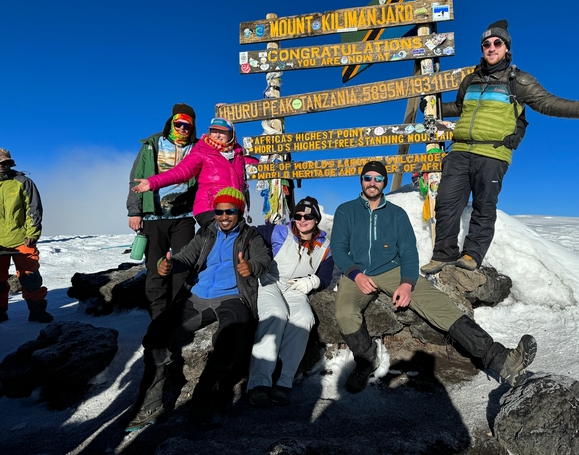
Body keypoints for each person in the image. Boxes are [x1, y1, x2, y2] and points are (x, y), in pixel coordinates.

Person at [420, 20, 579, 275]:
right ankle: (443, 254)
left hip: (493, 152)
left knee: (484, 206)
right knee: (446, 202)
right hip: (460, 150)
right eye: (486, 44)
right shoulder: (470, 81)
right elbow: (460, 107)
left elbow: (547, 102)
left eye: (497, 43)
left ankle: (471, 254)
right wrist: (433, 108)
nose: (491, 47)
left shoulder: (518, 80)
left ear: (506, 47)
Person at [331, 161, 537, 394]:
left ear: (384, 182)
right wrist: (356, 275)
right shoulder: (345, 210)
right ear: (361, 180)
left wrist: (407, 283)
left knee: (441, 306)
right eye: (367, 178)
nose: (372, 182)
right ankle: (366, 361)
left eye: (378, 178)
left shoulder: (396, 214)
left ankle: (501, 360)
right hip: (356, 273)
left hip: (391, 270)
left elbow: (408, 251)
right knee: (344, 312)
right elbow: (338, 249)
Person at [126, 187, 271, 431]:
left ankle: (203, 402)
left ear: (240, 211)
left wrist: (252, 268)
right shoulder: (206, 233)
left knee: (228, 338)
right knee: (157, 333)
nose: (224, 216)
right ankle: (151, 403)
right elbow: (186, 257)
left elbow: (263, 260)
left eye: (230, 211)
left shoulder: (251, 236)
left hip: (233, 298)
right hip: (197, 296)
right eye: (219, 211)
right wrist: (169, 265)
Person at [247, 196, 333, 407]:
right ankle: (259, 383)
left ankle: (283, 382)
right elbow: (250, 234)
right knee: (276, 314)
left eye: (308, 216)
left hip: (296, 288)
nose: (302, 220)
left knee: (304, 319)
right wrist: (257, 259)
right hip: (271, 281)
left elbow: (326, 277)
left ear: (316, 219)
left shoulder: (325, 246)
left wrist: (312, 281)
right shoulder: (279, 231)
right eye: (298, 216)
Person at [127, 103, 198, 319]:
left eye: (188, 125)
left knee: (183, 266)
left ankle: (177, 316)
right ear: (171, 122)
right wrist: (134, 211)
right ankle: (158, 317)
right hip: (153, 215)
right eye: (179, 124)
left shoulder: (197, 148)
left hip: (184, 216)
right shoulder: (152, 144)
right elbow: (136, 178)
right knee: (154, 267)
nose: (183, 129)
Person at [132, 117, 247, 229]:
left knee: (241, 241)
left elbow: (258, 167)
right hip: (210, 207)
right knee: (220, 238)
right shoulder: (202, 150)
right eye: (213, 131)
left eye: (222, 132)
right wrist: (153, 182)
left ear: (231, 134)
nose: (217, 135)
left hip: (235, 207)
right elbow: (182, 171)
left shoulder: (238, 153)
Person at [0, 149, 53, 323]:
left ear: (10, 163)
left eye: (5, 162)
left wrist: (32, 232)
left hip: (22, 239)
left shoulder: (23, 182)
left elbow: (34, 209)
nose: (2, 166)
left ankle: (37, 310)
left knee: (30, 276)